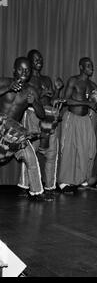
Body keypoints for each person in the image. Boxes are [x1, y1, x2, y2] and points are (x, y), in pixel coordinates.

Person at [0, 57, 51, 201]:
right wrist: (7, 88)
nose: (24, 72)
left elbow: (41, 114)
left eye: (27, 70)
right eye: (21, 69)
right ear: (14, 70)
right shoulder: (4, 82)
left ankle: (37, 192)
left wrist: (34, 103)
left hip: (14, 132)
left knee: (31, 157)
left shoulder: (31, 91)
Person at [18, 50, 64, 193]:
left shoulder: (46, 79)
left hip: (48, 115)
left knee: (51, 152)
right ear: (30, 62)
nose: (39, 61)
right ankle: (25, 186)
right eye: (36, 59)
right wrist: (41, 93)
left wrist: (57, 90)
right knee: (30, 151)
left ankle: (50, 186)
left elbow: (50, 100)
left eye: (41, 59)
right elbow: (26, 98)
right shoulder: (27, 79)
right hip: (33, 116)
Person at [58, 57, 97, 192]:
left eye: (91, 65)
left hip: (85, 120)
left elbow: (96, 103)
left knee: (86, 149)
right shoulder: (73, 80)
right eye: (87, 65)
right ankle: (64, 182)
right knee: (70, 149)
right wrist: (87, 103)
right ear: (81, 67)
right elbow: (66, 100)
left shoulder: (93, 85)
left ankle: (81, 180)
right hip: (72, 118)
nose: (90, 67)